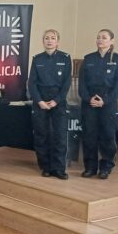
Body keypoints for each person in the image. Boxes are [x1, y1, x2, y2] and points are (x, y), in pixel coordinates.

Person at [78, 29, 118, 179]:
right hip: (90, 103)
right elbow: (82, 84)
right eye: (98, 37)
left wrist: (105, 100)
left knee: (107, 136)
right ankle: (90, 167)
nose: (100, 40)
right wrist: (88, 99)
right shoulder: (88, 59)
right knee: (89, 137)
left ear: (112, 41)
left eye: (104, 37)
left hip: (108, 104)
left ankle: (106, 167)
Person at [27, 29, 72, 179]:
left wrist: (56, 101)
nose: (49, 40)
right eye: (46, 38)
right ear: (43, 41)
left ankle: (59, 169)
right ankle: (45, 167)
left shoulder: (65, 58)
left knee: (60, 136)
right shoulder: (37, 59)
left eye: (53, 38)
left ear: (57, 41)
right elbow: (32, 83)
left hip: (58, 101)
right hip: (40, 101)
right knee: (41, 135)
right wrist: (39, 101)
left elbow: (66, 83)